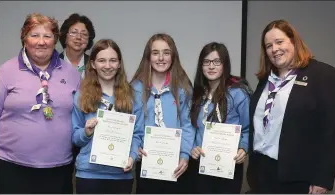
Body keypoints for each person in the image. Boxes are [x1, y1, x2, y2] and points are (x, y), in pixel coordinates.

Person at [247, 19, 335, 194]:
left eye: (279, 42)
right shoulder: (265, 80)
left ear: (294, 41)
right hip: (261, 173)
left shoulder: (323, 75)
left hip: (298, 177)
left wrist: (323, 177)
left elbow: (332, 131)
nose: (274, 49)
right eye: (268, 46)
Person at [0, 13, 81, 194]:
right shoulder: (5, 72)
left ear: (55, 40)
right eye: (34, 35)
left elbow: (80, 118)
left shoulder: (72, 74)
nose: (41, 42)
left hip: (59, 169)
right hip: (11, 166)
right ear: (24, 38)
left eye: (47, 36)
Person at [71, 39, 144, 194]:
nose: (108, 66)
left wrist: (132, 157)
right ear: (93, 64)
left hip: (121, 175)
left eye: (113, 60)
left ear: (119, 64)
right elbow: (75, 138)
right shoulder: (81, 96)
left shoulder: (133, 97)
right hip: (88, 174)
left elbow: (138, 134)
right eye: (102, 60)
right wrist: (86, 132)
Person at [130, 33, 195, 194]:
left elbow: (187, 124)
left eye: (166, 52)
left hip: (177, 164)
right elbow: (131, 125)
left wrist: (185, 155)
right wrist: (135, 147)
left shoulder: (183, 87)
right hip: (146, 162)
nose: (161, 58)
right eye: (155, 53)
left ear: (173, 56)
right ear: (148, 57)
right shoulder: (135, 88)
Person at [188, 42, 251, 194]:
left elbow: (249, 129)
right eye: (206, 62)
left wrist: (243, 147)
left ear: (225, 65)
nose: (211, 66)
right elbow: (192, 128)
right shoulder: (196, 94)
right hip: (199, 165)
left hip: (228, 165)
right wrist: (192, 147)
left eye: (217, 62)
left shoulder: (238, 93)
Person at [59, 13, 96, 78]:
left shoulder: (95, 65)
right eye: (74, 32)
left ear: (88, 40)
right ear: (65, 36)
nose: (78, 37)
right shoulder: (53, 63)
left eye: (84, 34)